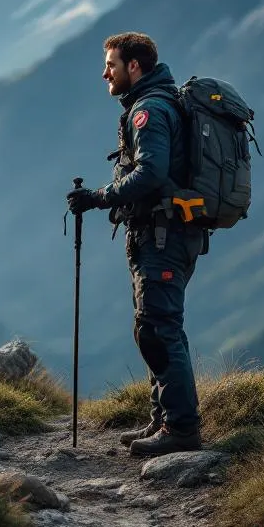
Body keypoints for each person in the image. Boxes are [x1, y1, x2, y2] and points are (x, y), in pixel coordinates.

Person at [67, 32, 204, 456]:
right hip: (164, 233)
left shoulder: (149, 110)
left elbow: (151, 173)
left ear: (135, 67)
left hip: (163, 236)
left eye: (111, 64)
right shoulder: (156, 102)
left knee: (160, 330)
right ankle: (163, 418)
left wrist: (98, 197)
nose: (105, 72)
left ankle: (181, 428)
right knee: (154, 327)